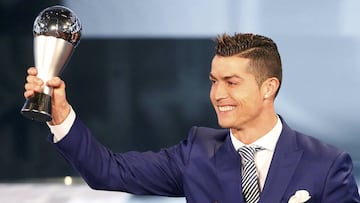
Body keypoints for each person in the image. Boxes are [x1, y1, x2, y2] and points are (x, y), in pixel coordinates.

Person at [24, 33, 360, 203]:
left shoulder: (326, 165)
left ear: (268, 87)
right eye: (214, 81)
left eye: (232, 82)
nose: (218, 95)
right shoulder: (197, 152)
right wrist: (62, 115)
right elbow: (107, 171)